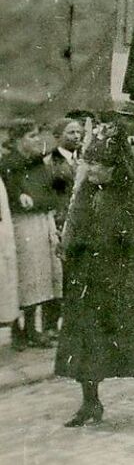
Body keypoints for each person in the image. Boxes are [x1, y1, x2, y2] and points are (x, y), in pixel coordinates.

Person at [54, 128, 134, 425]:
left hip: (121, 278)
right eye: (88, 163)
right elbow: (74, 227)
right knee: (84, 343)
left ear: (115, 168)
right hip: (87, 279)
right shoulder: (86, 192)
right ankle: (91, 403)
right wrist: (67, 244)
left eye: (98, 165)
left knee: (133, 336)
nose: (91, 170)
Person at [0, 119, 62, 351]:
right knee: (21, 275)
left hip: (40, 221)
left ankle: (32, 329)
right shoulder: (7, 165)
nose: (37, 141)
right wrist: (24, 198)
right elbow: (13, 198)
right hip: (19, 225)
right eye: (32, 136)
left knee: (39, 277)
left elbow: (52, 195)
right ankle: (18, 330)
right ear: (18, 140)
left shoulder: (38, 164)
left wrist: (38, 201)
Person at [41, 117, 83, 343]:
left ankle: (72, 323)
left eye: (78, 132)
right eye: (70, 133)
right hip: (60, 225)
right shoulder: (51, 163)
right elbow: (53, 196)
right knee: (58, 276)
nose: (76, 137)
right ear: (58, 136)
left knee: (76, 276)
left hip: (80, 226)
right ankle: (50, 324)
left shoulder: (83, 159)